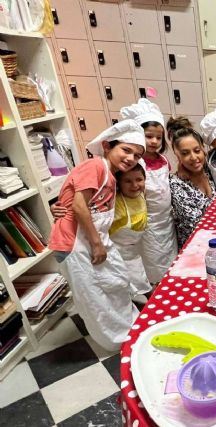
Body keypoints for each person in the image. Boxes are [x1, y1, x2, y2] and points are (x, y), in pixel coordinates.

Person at [49, 120, 145, 351]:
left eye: (137, 155)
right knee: (94, 297)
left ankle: (130, 327)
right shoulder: (95, 166)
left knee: (117, 282)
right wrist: (96, 244)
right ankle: (116, 341)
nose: (131, 158)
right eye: (126, 150)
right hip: (75, 244)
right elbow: (79, 206)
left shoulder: (111, 175)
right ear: (107, 146)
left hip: (95, 240)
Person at [120, 99, 177, 284]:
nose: (154, 141)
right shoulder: (135, 164)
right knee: (153, 262)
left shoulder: (163, 160)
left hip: (167, 221)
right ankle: (156, 290)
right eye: (149, 136)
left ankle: (170, 285)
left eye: (158, 137)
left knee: (171, 259)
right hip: (149, 225)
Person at [169, 126, 216, 248]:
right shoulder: (177, 185)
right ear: (178, 156)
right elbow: (195, 225)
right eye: (185, 153)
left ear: (203, 150)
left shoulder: (208, 172)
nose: (194, 157)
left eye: (197, 150)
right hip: (195, 247)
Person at [109, 164, 151, 297]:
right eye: (128, 181)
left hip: (133, 252)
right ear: (119, 183)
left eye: (139, 179)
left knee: (140, 283)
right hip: (115, 255)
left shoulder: (142, 195)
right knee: (122, 289)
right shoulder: (115, 203)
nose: (135, 185)